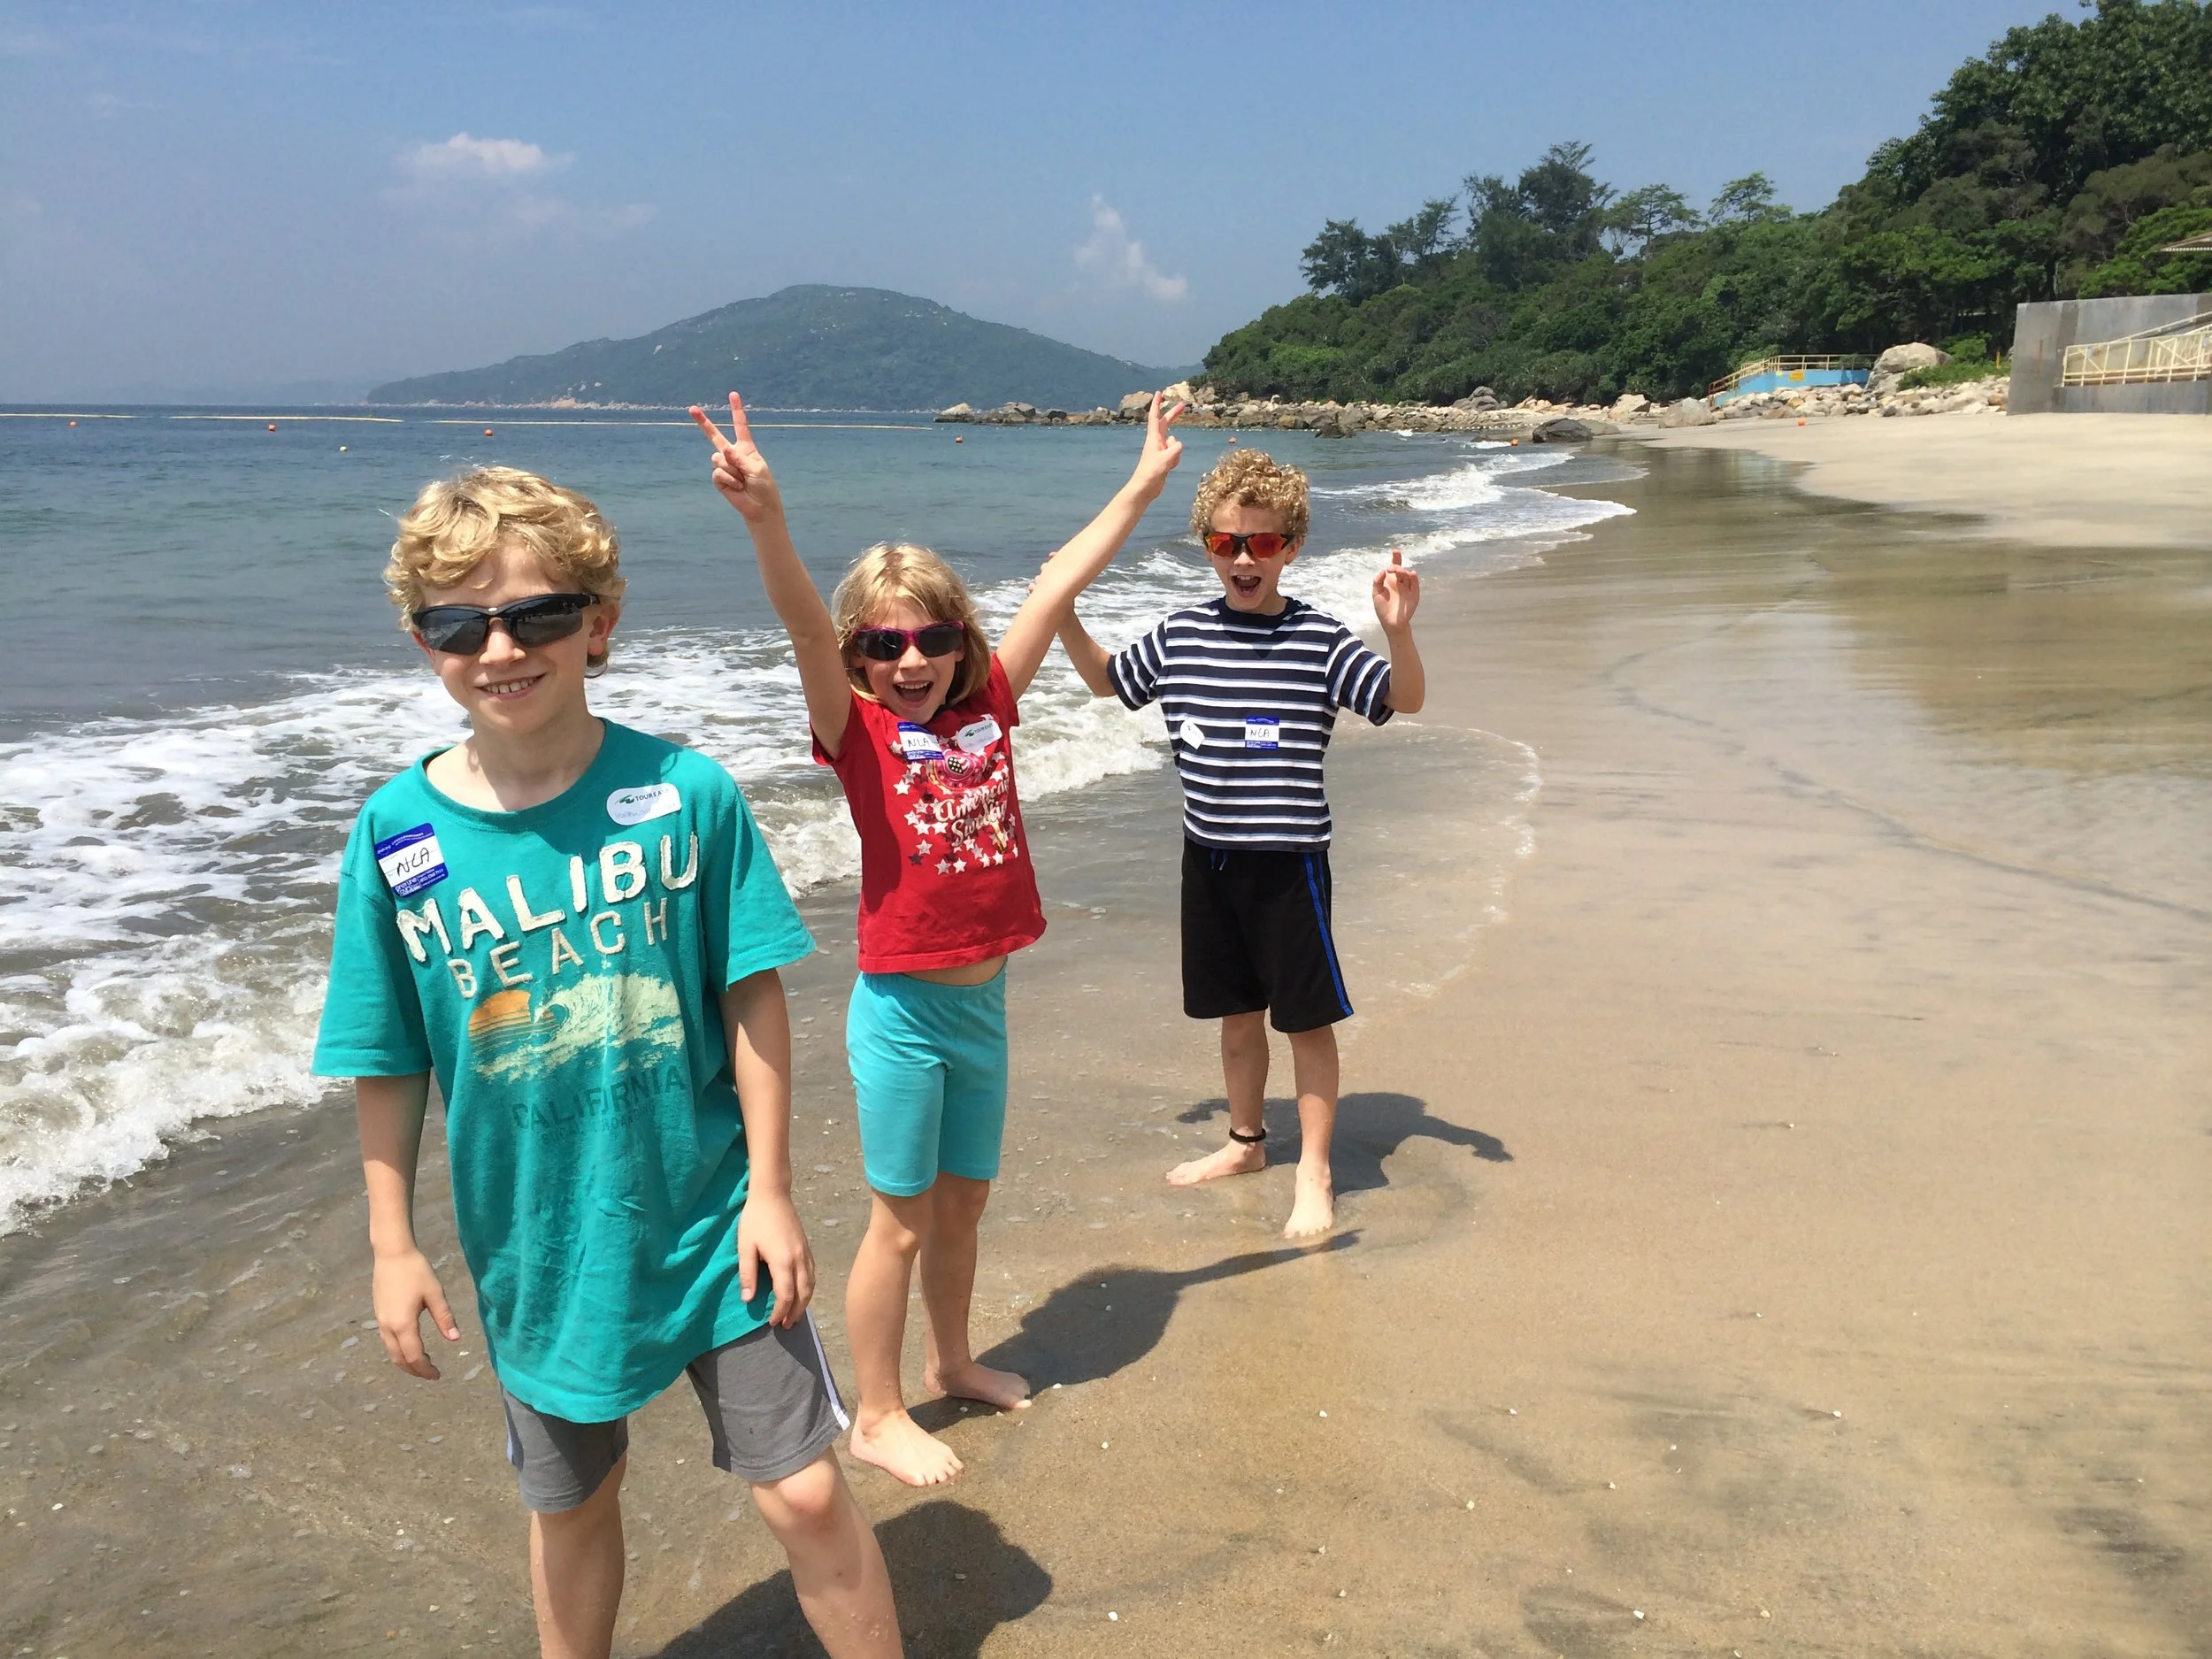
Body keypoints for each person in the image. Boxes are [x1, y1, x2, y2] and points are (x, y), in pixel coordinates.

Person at [311, 466, 900, 1659]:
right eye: (459, 624)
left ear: (599, 621)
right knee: (572, 1501)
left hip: (710, 1220)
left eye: (536, 614)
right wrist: (391, 1243)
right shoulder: (396, 833)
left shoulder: (687, 794)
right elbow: (387, 1055)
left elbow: (749, 993)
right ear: (423, 641)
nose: (500, 649)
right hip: (534, 1246)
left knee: (802, 1489)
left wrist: (774, 1190)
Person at [689, 389, 1184, 1487]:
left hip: (983, 1004)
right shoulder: (856, 733)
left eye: (932, 639)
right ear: (859, 660)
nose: (910, 661)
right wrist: (768, 520)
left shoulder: (989, 704)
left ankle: (951, 1361)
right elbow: (802, 626)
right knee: (900, 1224)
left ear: (962, 643)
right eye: (884, 645)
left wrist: (1143, 482)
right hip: (904, 1014)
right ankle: (875, 1413)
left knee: (964, 1205)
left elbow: (1058, 585)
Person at [1056, 448, 1424, 1239]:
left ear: (1292, 546)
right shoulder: (1182, 634)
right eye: (1227, 543)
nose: (1245, 560)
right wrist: (1060, 611)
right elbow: (1107, 680)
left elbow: (1404, 698)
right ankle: (1246, 1142)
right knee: (1235, 1015)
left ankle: (1314, 1168)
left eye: (1262, 543)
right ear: (1208, 547)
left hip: (1290, 864)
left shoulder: (1320, 640)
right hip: (1210, 859)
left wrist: (1398, 633)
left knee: (1305, 1020)